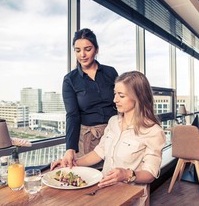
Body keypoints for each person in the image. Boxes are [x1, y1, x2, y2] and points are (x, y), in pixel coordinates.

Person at [51, 71, 166, 206]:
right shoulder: (113, 122)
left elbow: (150, 174)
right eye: (115, 94)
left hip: (131, 198)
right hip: (104, 193)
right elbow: (98, 153)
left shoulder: (154, 132)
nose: (115, 100)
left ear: (138, 97)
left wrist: (126, 174)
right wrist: (72, 163)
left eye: (121, 95)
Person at [60, 28, 118, 168]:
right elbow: (72, 115)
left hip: (114, 133)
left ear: (96, 50)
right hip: (87, 138)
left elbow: (122, 101)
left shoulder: (110, 72)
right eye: (78, 50)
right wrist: (70, 148)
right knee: (89, 181)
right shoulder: (70, 80)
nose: (82, 55)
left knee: (115, 178)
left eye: (88, 49)